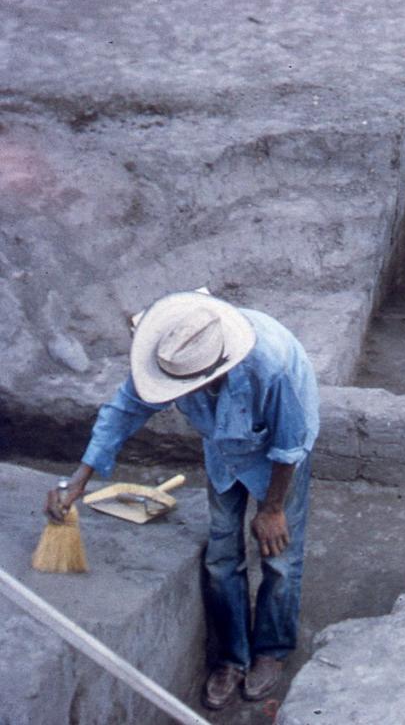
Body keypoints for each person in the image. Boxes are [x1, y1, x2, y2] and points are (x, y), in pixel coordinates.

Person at [45, 290, 320, 711]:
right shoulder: (171, 354)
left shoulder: (273, 366)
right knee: (221, 555)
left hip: (278, 454)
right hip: (224, 449)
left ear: (218, 366)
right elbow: (122, 411)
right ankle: (232, 656)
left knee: (279, 556)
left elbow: (289, 445)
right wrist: (79, 478)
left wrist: (272, 508)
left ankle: (272, 649)